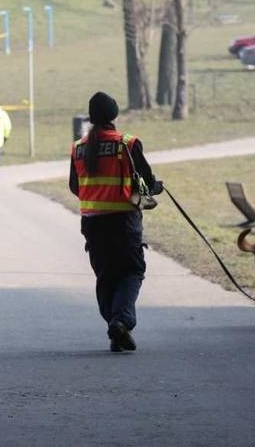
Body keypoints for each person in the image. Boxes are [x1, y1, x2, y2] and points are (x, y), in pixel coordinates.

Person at [69, 91, 163, 353]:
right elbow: (146, 181)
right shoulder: (128, 144)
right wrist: (157, 187)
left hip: (93, 225)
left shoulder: (78, 147)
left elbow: (74, 186)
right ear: (114, 115)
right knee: (132, 272)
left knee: (106, 276)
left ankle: (116, 327)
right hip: (124, 222)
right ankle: (121, 321)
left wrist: (97, 196)